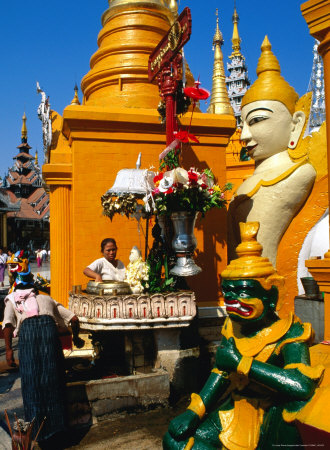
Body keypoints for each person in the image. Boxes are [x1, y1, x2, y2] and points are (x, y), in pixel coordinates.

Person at [163, 222, 324, 449]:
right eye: (227, 292)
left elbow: (301, 386)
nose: (231, 300)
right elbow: (221, 371)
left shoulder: (290, 332)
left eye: (243, 291)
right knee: (174, 441)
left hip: (269, 414)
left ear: (272, 294)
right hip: (234, 409)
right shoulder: (233, 325)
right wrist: (193, 411)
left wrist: (242, 363)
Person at [228, 37, 316, 267]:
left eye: (257, 120)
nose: (243, 136)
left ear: (295, 124)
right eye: (243, 124)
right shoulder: (246, 186)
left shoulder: (297, 174)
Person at [2, 263, 84, 444]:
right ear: (35, 287)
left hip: (29, 338)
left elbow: (8, 325)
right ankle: (58, 428)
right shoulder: (47, 299)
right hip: (49, 336)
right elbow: (74, 319)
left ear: (17, 285)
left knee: (32, 382)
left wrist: (9, 351)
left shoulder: (12, 299)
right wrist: (76, 339)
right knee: (53, 379)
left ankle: (36, 431)